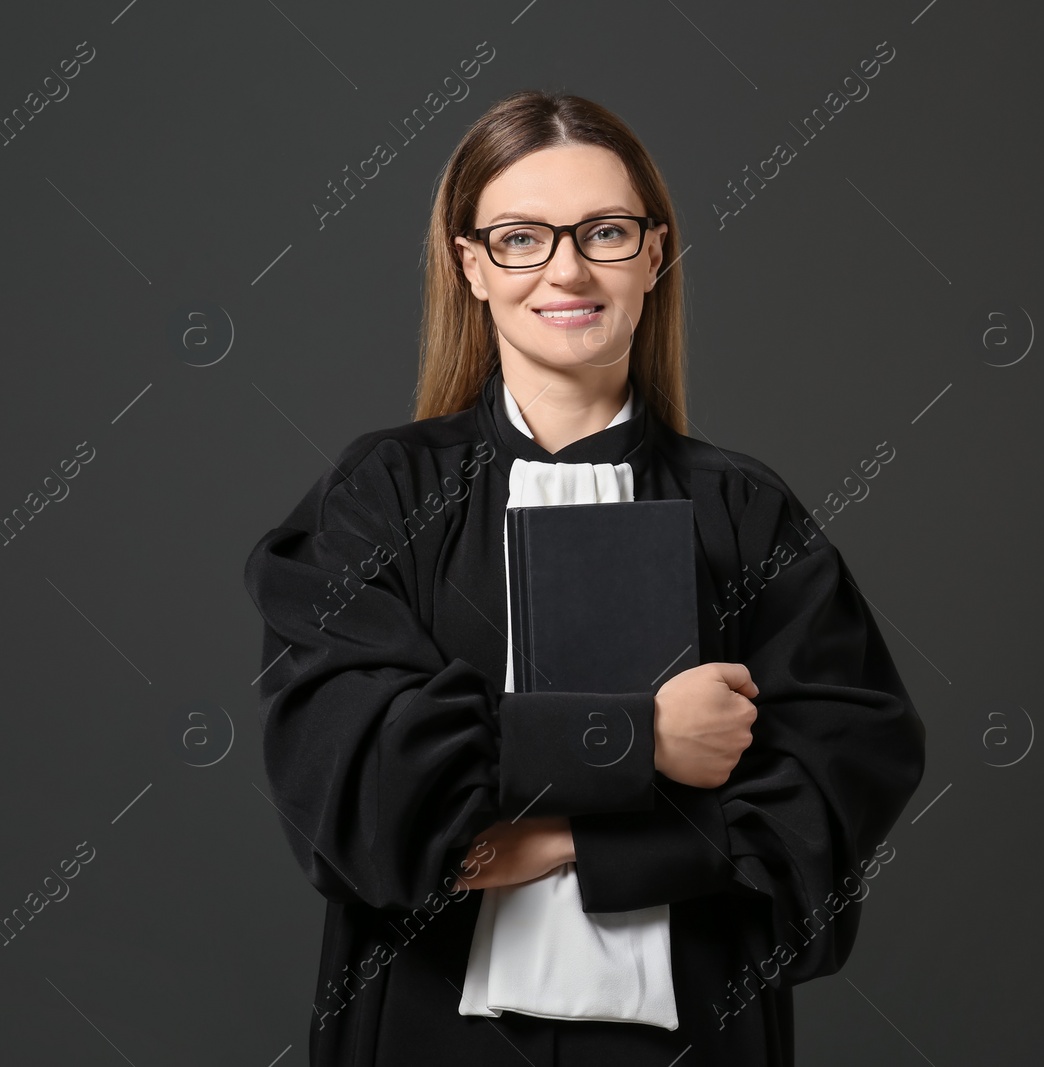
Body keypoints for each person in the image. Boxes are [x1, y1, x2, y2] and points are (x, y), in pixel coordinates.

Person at [241, 89, 926, 1066]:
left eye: (603, 231)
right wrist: (646, 740)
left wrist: (546, 839)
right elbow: (367, 778)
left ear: (652, 253)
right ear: (471, 263)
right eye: (521, 237)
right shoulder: (380, 496)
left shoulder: (750, 515)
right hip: (429, 1035)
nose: (566, 267)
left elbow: (819, 811)